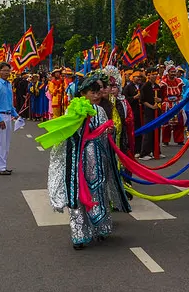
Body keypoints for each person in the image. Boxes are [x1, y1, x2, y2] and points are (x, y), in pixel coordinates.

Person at [47, 71, 132, 249]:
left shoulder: (101, 110)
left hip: (99, 160)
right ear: (83, 93)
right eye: (92, 92)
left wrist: (109, 131)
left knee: (99, 192)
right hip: (79, 161)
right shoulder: (74, 108)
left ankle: (101, 228)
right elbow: (70, 134)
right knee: (78, 196)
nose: (95, 95)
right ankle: (80, 234)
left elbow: (108, 130)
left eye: (97, 91)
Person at [0, 62, 17, 175]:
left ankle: (3, 165)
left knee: (6, 143)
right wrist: (0, 119)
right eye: (4, 70)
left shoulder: (9, 85)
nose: (7, 73)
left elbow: (10, 104)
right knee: (0, 143)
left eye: (8, 71)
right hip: (0, 117)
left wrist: (16, 114)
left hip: (8, 115)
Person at [159, 66, 186, 146]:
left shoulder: (179, 81)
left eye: (174, 72)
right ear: (168, 72)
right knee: (166, 123)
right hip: (167, 104)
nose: (173, 74)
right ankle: (165, 140)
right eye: (172, 72)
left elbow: (180, 93)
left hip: (177, 104)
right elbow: (161, 94)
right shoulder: (164, 82)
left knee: (179, 123)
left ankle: (179, 140)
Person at [138, 67, 160, 160]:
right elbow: (142, 100)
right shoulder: (145, 86)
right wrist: (152, 106)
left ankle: (156, 151)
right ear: (148, 75)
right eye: (153, 74)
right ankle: (144, 153)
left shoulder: (157, 86)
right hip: (149, 111)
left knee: (157, 131)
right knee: (148, 131)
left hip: (157, 110)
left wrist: (159, 100)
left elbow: (161, 97)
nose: (155, 76)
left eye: (156, 74)